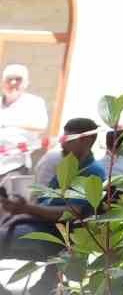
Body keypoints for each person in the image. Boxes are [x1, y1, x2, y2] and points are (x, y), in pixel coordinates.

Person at [0, 117, 102, 261]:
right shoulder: (69, 166)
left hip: (58, 234)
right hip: (40, 223)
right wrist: (20, 205)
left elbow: (72, 213)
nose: (63, 143)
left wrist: (27, 209)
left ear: (87, 141)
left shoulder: (92, 172)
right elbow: (45, 202)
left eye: (69, 139)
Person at [0, 66, 49, 159]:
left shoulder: (34, 102)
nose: (13, 83)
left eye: (18, 79)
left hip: (15, 164)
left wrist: (7, 122)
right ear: (3, 83)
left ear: (26, 83)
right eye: (9, 79)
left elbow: (41, 125)